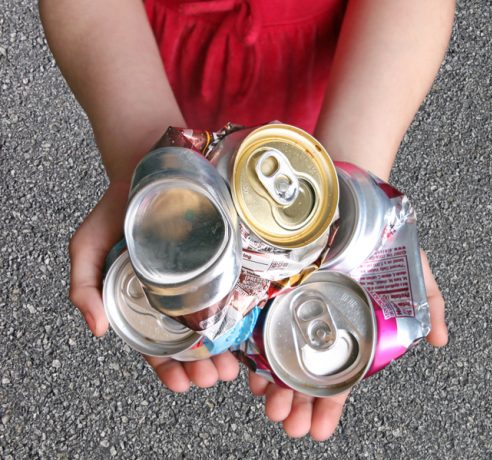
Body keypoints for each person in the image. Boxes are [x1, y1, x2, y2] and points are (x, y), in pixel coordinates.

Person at [39, 0, 454, 441]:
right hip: (147, 62)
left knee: (285, 167)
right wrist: (142, 150)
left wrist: (354, 182)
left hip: (345, 72)